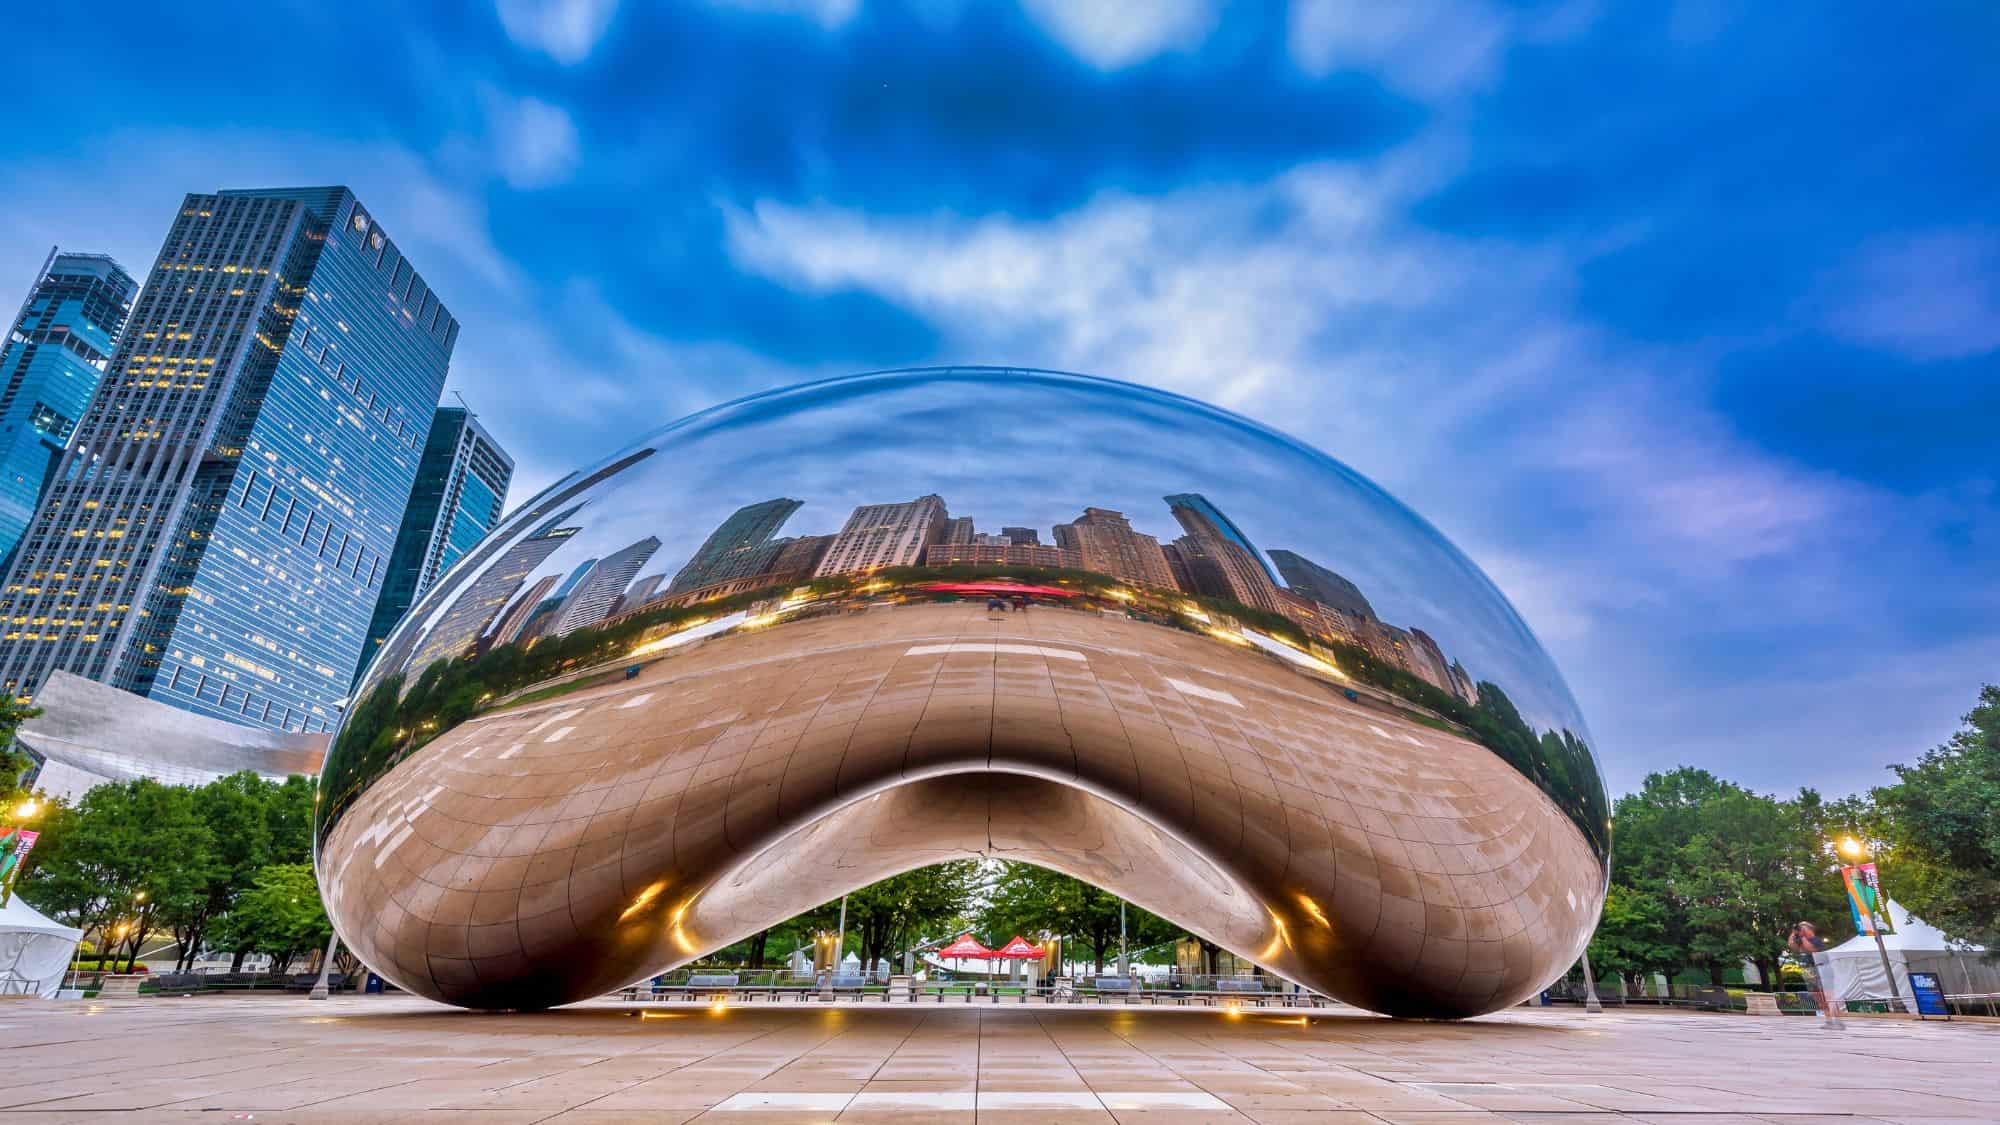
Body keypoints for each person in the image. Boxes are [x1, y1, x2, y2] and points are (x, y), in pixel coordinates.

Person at [1788, 920, 1844, 1029]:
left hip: (1822, 969)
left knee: (1829, 997)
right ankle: (1829, 1021)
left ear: (1809, 929)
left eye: (1802, 928)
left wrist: (1803, 936)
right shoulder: (1800, 941)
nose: (1801, 931)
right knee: (1819, 998)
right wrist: (1793, 933)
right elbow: (1791, 945)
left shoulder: (1816, 940)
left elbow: (1810, 949)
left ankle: (1837, 1021)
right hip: (1809, 970)